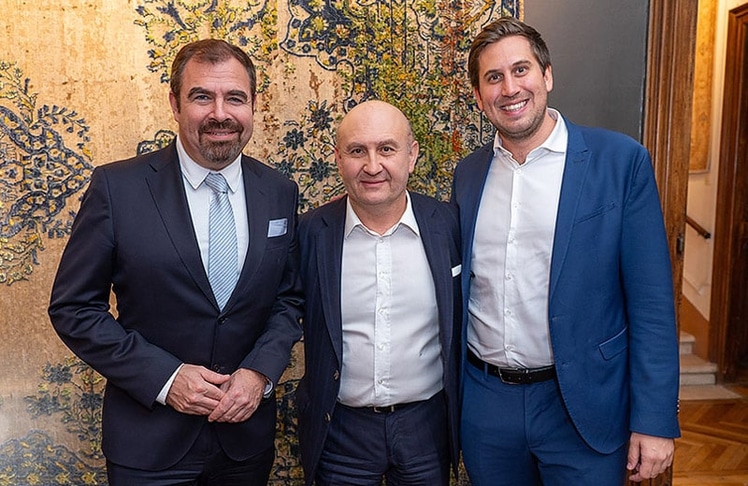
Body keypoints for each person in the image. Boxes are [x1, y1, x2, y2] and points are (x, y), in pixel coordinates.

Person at [48, 39, 303, 485]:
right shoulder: (117, 188)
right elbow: (74, 308)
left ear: (253, 106)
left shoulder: (279, 191)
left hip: (245, 442)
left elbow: (289, 299)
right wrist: (166, 378)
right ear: (174, 103)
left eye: (235, 98)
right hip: (148, 444)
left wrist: (259, 372)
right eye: (202, 96)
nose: (220, 113)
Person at [452, 17, 680, 485]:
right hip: (487, 406)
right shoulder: (468, 175)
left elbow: (652, 304)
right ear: (478, 96)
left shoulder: (620, 162)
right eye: (493, 77)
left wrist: (654, 420)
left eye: (521, 70)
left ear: (547, 75)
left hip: (585, 406)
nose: (509, 88)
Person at [295, 100, 462, 486]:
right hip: (340, 432)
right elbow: (282, 309)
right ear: (338, 159)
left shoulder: (450, 226)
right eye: (357, 151)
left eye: (386, 149)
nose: (372, 166)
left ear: (412, 155)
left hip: (426, 429)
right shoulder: (309, 233)